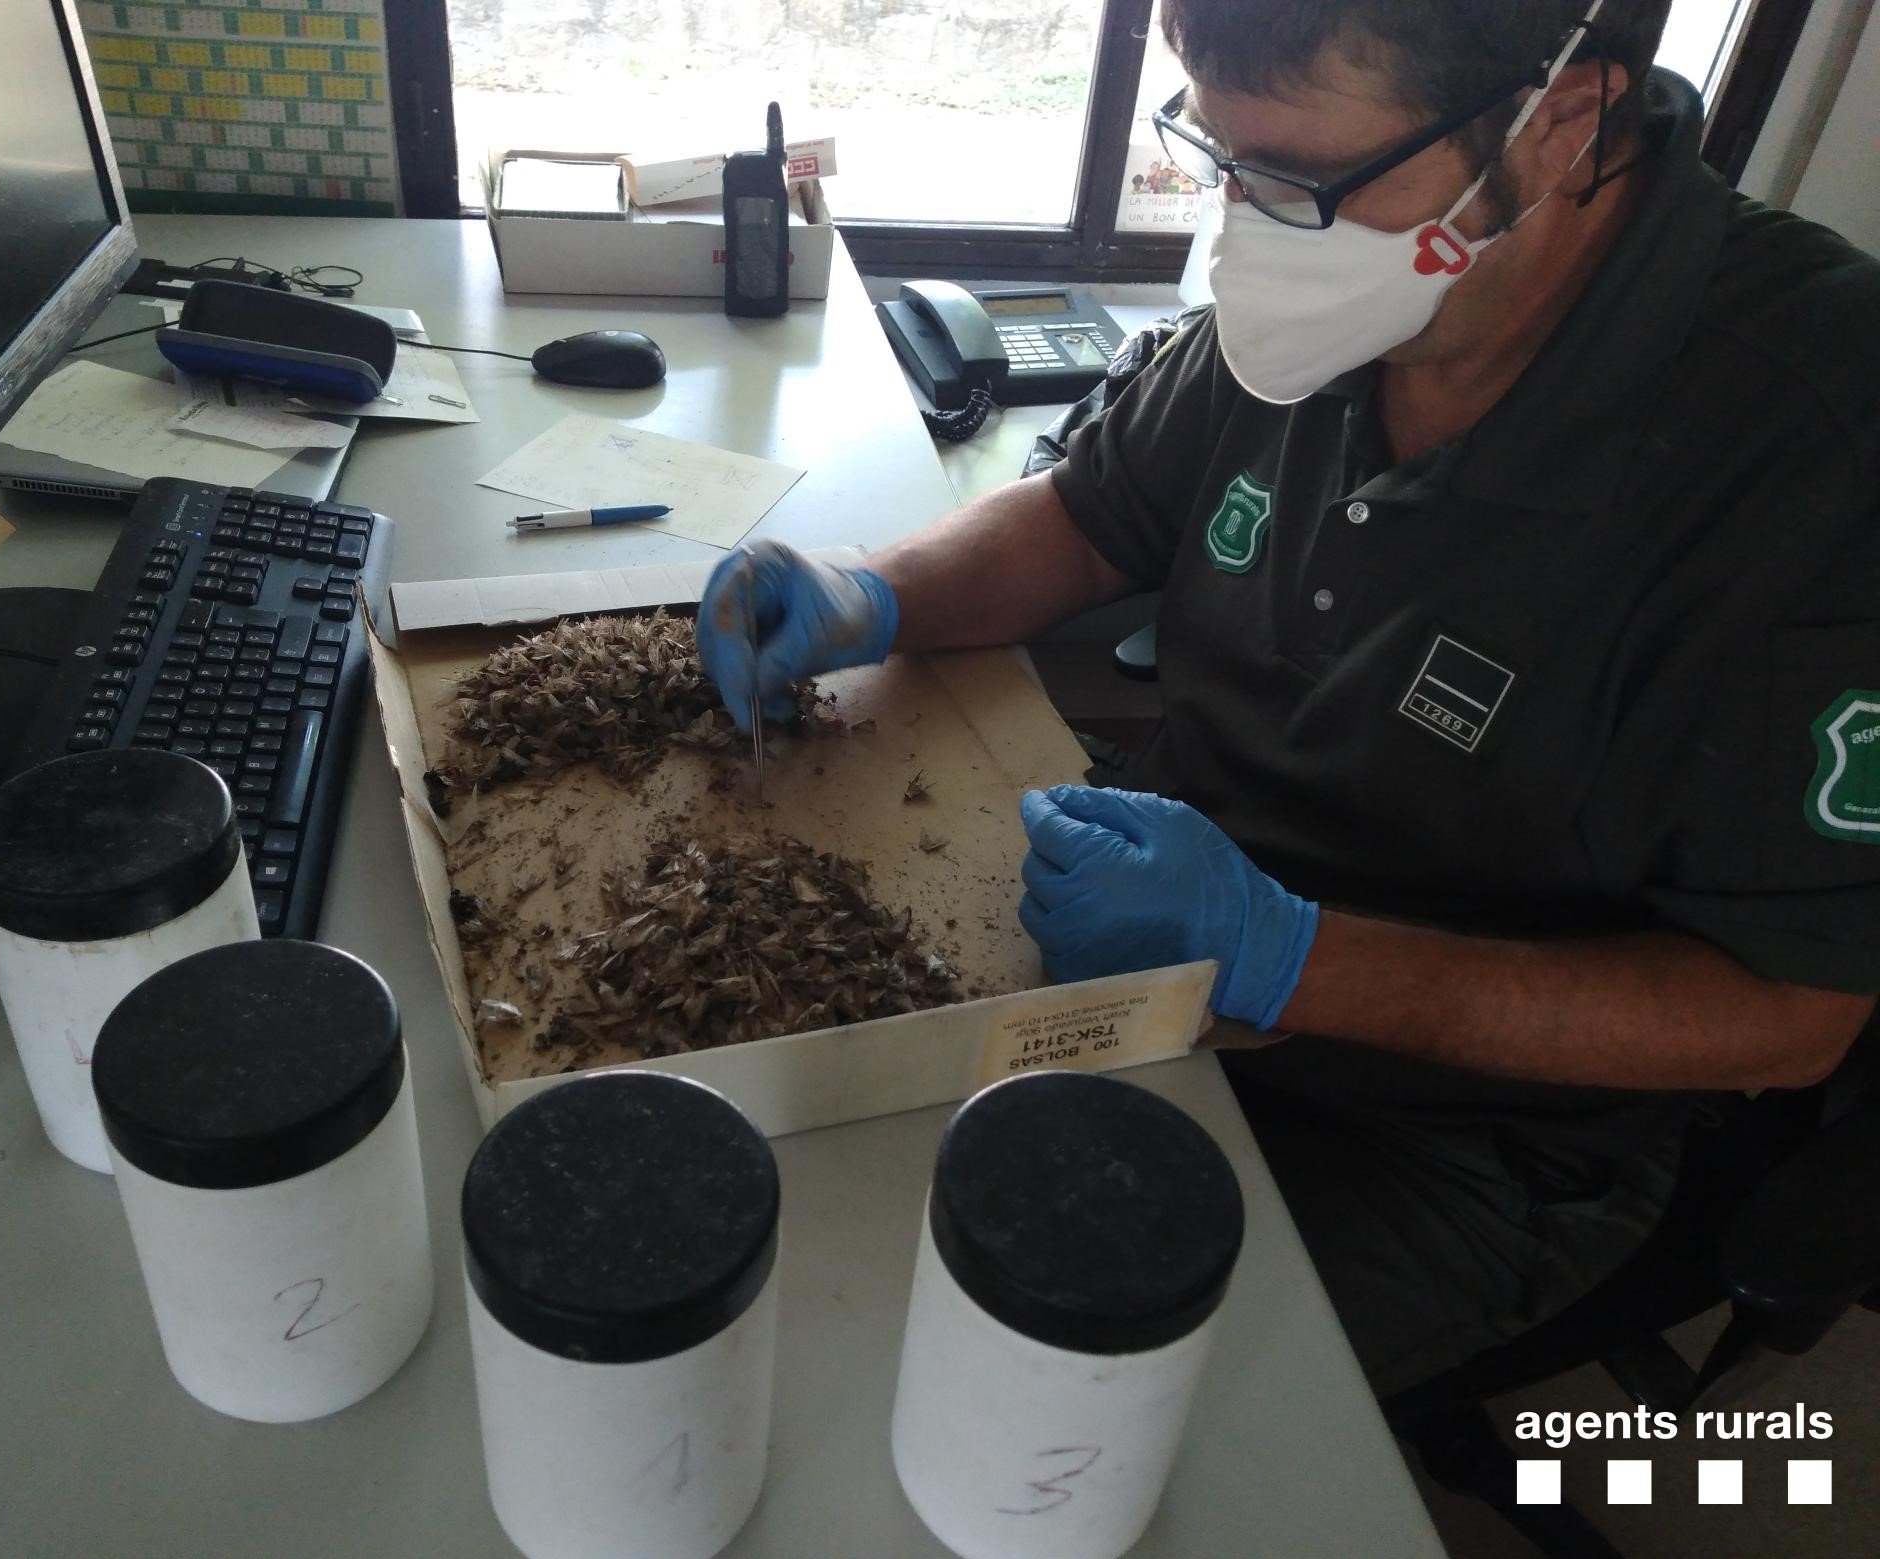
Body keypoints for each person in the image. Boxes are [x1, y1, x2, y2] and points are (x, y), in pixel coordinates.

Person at [696, 0, 1880, 1396]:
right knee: (781, 1197)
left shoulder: (1817, 448)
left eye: (1302, 182)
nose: (1253, 233)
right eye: (1222, 162)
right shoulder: (1330, 297)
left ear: (1563, 124)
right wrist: (870, 592)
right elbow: (1090, 514)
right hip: (1152, 951)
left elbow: (1794, 1013)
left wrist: (1285, 956)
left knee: (1004, 1389)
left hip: (1449, 1133)